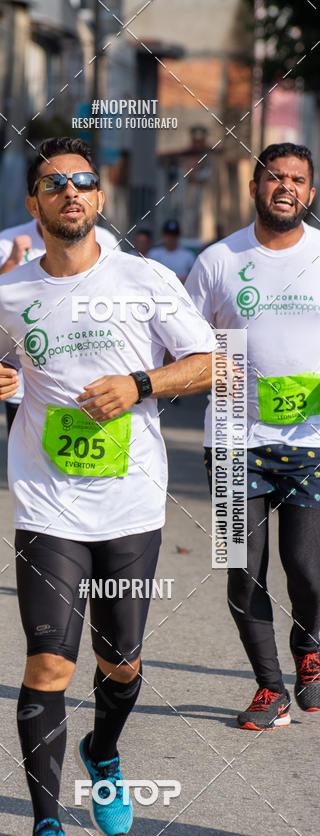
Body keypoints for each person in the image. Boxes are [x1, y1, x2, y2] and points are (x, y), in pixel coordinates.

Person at [0, 136, 215, 836]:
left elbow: (210, 362)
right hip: (47, 502)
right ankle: (46, 830)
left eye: (83, 182)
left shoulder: (144, 279)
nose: (71, 193)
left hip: (130, 503)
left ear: (101, 198)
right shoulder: (9, 294)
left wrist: (139, 385)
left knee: (122, 662)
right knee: (50, 659)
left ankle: (102, 750)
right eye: (55, 184)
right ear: (34, 204)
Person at [186, 142, 320, 730]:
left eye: (297, 179)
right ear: (255, 187)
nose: (285, 186)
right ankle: (270, 689)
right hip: (233, 439)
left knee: (308, 567)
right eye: (274, 177)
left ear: (310, 193)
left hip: (313, 441)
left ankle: (310, 652)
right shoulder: (218, 260)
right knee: (242, 568)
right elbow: (183, 342)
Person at [0, 218, 120, 432]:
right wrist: (12, 261)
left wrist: (136, 384)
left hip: (100, 392)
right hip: (28, 395)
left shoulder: (106, 240)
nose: (67, 201)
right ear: (33, 205)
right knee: (30, 453)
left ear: (99, 203)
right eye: (53, 197)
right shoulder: (5, 242)